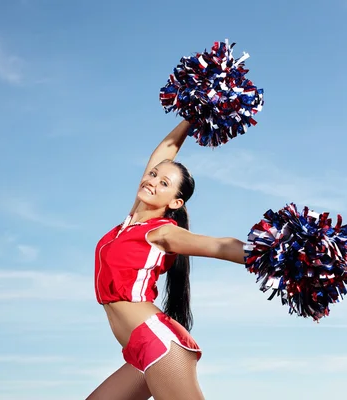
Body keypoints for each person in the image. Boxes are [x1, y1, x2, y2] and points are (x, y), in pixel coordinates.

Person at [87, 120, 247, 400]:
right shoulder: (128, 225)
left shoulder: (162, 233)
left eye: (164, 183)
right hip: (139, 352)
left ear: (175, 202)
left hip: (158, 342)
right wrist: (192, 115)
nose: (151, 181)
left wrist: (273, 254)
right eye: (152, 174)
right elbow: (165, 150)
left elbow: (219, 246)